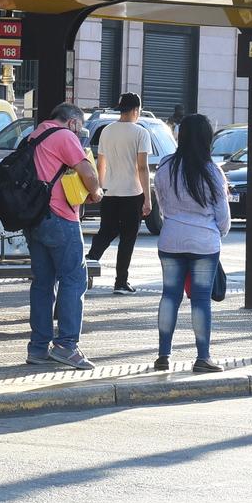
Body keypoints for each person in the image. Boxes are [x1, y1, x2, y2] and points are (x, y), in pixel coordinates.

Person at [151, 113, 230, 373]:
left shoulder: (165, 167)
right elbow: (224, 217)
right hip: (204, 243)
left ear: (180, 136)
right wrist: (215, 232)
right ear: (207, 139)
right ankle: (203, 357)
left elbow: (161, 204)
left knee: (169, 296)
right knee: (201, 300)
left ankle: (163, 355)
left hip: (171, 239)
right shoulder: (212, 171)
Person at [26, 102, 101, 370]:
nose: (80, 133)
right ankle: (66, 346)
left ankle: (38, 347)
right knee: (74, 278)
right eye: (80, 127)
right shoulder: (65, 136)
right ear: (72, 122)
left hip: (35, 218)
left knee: (43, 283)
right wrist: (97, 193)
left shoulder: (34, 136)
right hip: (61, 217)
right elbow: (87, 171)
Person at [89, 92, 155, 294]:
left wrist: (99, 187)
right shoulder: (141, 133)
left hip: (109, 191)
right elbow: (142, 168)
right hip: (132, 193)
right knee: (128, 238)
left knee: (105, 233)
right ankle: (120, 282)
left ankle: (84, 268)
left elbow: (101, 163)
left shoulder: (106, 131)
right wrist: (148, 198)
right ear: (136, 110)